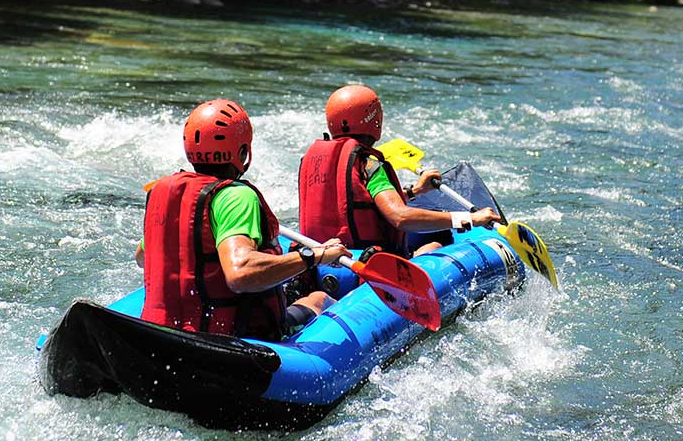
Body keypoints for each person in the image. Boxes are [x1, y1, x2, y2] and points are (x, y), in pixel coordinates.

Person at [135, 99, 350, 340]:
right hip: (234, 337)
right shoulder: (236, 196)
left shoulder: (164, 191)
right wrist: (315, 256)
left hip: (165, 331)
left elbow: (142, 257)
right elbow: (241, 274)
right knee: (320, 299)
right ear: (243, 152)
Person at [298, 84, 501, 257]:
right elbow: (400, 217)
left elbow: (350, 204)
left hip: (322, 258)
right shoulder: (369, 165)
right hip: (367, 262)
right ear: (374, 119)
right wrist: (469, 218)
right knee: (439, 241)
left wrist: (414, 191)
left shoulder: (312, 162)